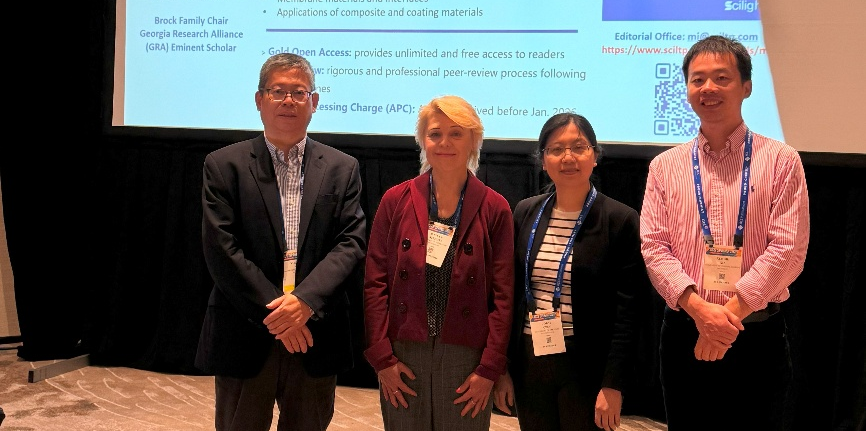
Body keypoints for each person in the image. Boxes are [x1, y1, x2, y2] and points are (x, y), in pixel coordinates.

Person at [639, 35, 810, 431]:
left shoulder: (782, 161)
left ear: (746, 86)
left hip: (757, 336)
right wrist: (701, 313)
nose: (708, 88)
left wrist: (724, 322)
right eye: (697, 79)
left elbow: (787, 250)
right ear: (686, 89)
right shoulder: (665, 167)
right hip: (685, 332)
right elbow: (654, 248)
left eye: (721, 78)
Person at [194, 53, 367, 431]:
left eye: (298, 92)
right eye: (278, 91)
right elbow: (222, 249)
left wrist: (304, 303)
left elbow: (350, 243)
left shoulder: (342, 168)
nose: (288, 100)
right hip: (246, 328)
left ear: (314, 102)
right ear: (259, 100)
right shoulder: (223, 165)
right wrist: (280, 315)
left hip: (315, 331)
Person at [362, 95, 514, 431]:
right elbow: (375, 283)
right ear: (422, 140)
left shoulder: (495, 208)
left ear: (474, 140)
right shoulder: (395, 200)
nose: (445, 142)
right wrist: (382, 358)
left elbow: (503, 297)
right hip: (403, 352)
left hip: (467, 356)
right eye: (435, 134)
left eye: (456, 133)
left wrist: (489, 368)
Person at [492, 113, 650, 431]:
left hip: (587, 365)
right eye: (556, 149)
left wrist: (613, 383)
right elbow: (509, 293)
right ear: (543, 160)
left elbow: (629, 311)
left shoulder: (619, 219)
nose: (568, 157)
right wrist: (502, 367)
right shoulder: (525, 212)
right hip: (530, 359)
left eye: (578, 147)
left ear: (595, 155)